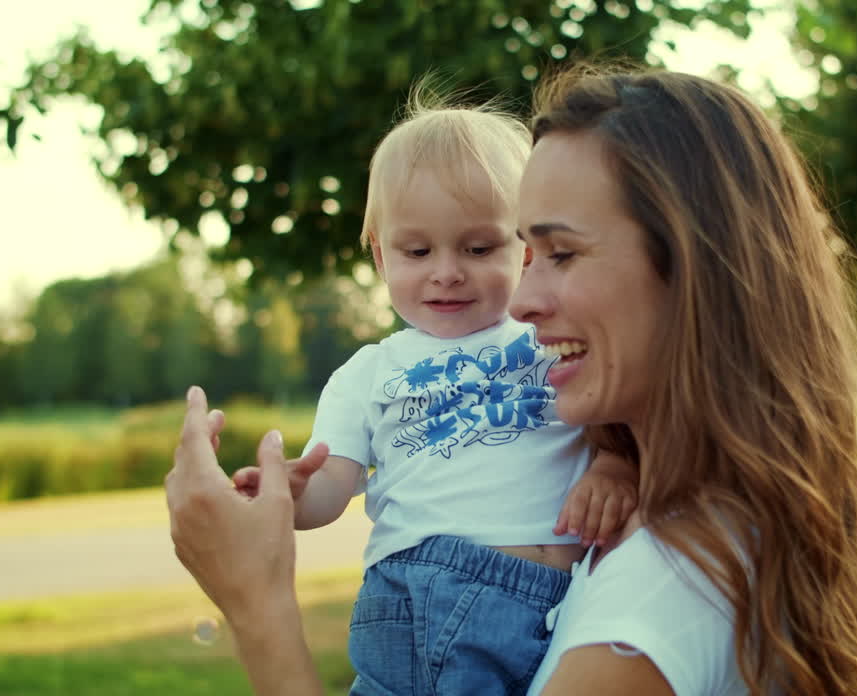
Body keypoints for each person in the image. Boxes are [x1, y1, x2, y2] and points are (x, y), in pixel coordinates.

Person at [167, 65, 857, 696]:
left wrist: (259, 608)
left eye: (560, 253)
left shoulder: (659, 605)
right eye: (529, 251)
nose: (519, 301)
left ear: (692, 268)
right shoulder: (688, 538)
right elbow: (335, 476)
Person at [220, 88, 639, 695]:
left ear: (528, 246)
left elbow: (617, 414)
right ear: (380, 255)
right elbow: (334, 486)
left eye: (478, 247)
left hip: (559, 602)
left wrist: (614, 464)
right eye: (417, 251)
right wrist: (289, 495)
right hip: (424, 591)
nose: (446, 271)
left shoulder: (551, 336)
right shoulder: (369, 372)